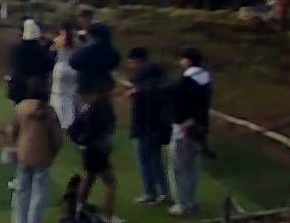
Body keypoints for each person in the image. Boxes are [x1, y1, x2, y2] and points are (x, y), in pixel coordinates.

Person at [9, 77, 64, 223]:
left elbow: (13, 131)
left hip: (23, 155)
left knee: (22, 191)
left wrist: (17, 145)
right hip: (43, 158)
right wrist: (53, 153)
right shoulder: (49, 112)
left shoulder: (20, 108)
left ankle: (21, 220)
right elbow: (57, 138)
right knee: (39, 193)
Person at [168, 47, 212, 217]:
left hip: (184, 130)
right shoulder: (206, 79)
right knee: (193, 167)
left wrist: (184, 123)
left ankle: (182, 204)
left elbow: (181, 107)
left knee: (180, 168)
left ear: (188, 61)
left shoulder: (186, 81)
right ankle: (191, 201)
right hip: (200, 130)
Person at [126, 47, 171, 205]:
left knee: (146, 160)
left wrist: (136, 94)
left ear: (138, 61)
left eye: (132, 62)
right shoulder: (158, 79)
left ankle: (151, 192)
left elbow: (145, 105)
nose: (130, 65)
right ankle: (163, 191)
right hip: (156, 125)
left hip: (146, 126)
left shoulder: (144, 83)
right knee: (155, 159)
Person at [71, 87, 120, 223]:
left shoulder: (88, 107)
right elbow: (108, 125)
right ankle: (108, 216)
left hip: (88, 148)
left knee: (88, 178)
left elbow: (75, 128)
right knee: (110, 182)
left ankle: (78, 209)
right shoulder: (102, 107)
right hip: (97, 149)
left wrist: (80, 141)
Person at [7, 19, 56, 103]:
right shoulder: (42, 51)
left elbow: (13, 64)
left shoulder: (14, 49)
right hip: (37, 90)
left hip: (18, 89)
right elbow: (50, 65)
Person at [70, 22, 121, 98]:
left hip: (87, 87)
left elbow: (73, 62)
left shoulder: (87, 50)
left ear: (92, 35)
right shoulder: (110, 50)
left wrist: (84, 46)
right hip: (104, 87)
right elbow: (116, 61)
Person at [50, 19, 81, 129]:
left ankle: (59, 120)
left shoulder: (57, 40)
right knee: (70, 96)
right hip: (72, 69)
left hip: (60, 67)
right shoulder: (77, 42)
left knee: (57, 96)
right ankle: (70, 120)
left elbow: (51, 52)